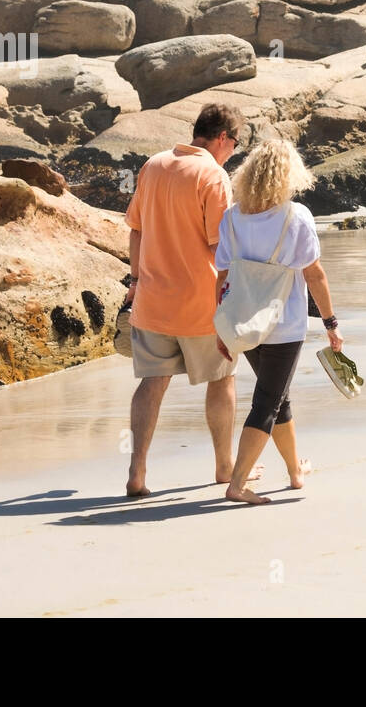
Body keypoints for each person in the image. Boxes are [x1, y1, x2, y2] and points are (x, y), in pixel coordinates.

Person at [123, 103, 255, 497]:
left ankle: (137, 473)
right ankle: (224, 467)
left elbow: (135, 232)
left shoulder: (153, 165)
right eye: (234, 144)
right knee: (223, 379)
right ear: (222, 139)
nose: (233, 152)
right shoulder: (212, 175)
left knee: (152, 382)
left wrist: (134, 280)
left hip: (152, 300)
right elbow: (222, 247)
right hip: (201, 303)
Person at [214, 139, 344, 506]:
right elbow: (315, 275)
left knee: (278, 398)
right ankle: (237, 483)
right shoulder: (296, 216)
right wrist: (330, 322)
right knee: (268, 401)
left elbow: (221, 276)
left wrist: (219, 325)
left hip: (243, 323)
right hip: (284, 326)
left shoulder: (232, 218)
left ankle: (294, 472)